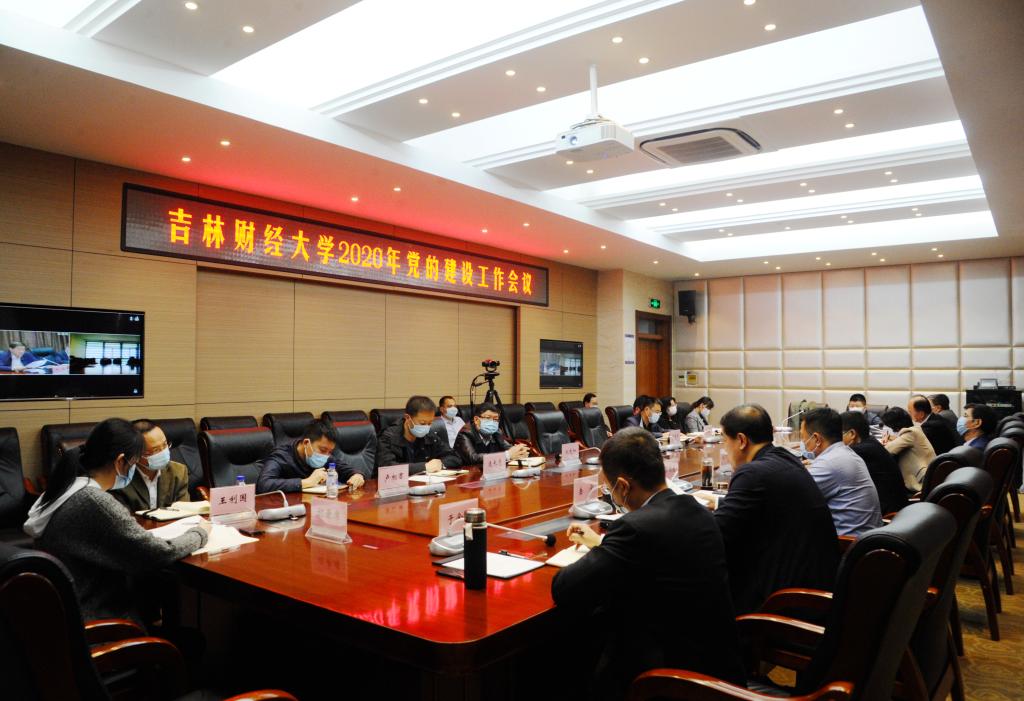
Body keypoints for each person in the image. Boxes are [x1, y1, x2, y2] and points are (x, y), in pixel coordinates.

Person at [551, 428, 745, 700]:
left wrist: (606, 549)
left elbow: (565, 588)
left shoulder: (634, 528)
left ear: (623, 486)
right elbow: (656, 554)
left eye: (609, 489)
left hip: (670, 681)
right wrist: (604, 545)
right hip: (718, 666)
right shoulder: (697, 510)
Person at [23, 418, 209, 622]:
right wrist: (200, 533)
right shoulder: (95, 501)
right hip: (99, 617)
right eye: (134, 462)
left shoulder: (69, 487)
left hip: (66, 611)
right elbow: (158, 553)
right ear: (121, 462)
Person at [710, 404, 839, 614]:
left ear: (741, 440)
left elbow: (715, 535)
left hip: (786, 602)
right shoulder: (786, 458)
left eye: (725, 440)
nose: (725, 448)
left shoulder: (753, 473)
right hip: (816, 584)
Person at [801, 408, 882, 536]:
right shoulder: (844, 453)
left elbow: (794, 497)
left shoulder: (829, 462)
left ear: (816, 438)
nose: (803, 443)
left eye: (803, 438)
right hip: (866, 538)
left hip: (846, 543)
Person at [256, 419, 365, 493]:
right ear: (306, 443)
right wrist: (307, 482)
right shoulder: (281, 456)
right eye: (323, 450)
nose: (326, 456)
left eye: (330, 451)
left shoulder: (326, 457)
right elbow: (263, 484)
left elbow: (347, 470)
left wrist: (357, 476)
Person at [110, 419, 190, 512]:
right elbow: (121, 518)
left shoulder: (178, 471)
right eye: (155, 450)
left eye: (165, 445)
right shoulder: (119, 480)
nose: (163, 453)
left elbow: (184, 511)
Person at [841, 411, 908, 515]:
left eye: (838, 434)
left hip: (888, 513)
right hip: (895, 506)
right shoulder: (871, 442)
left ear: (852, 434)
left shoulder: (860, 451)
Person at [377, 395, 462, 475]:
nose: (426, 427)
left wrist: (441, 464)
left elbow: (455, 457)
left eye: (430, 423)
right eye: (422, 423)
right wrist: (424, 467)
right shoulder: (388, 437)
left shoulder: (429, 435)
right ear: (407, 418)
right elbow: (386, 468)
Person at [880, 407, 936, 492]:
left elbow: (887, 451)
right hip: (928, 477)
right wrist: (891, 439)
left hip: (921, 483)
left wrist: (884, 443)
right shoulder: (915, 430)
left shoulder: (910, 433)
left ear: (894, 425)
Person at [454, 402, 529, 465]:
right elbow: (473, 458)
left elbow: (507, 447)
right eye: (488, 418)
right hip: (468, 473)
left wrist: (519, 451)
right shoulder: (465, 433)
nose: (492, 422)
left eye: (495, 419)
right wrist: (506, 455)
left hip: (490, 471)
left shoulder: (496, 432)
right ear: (476, 420)